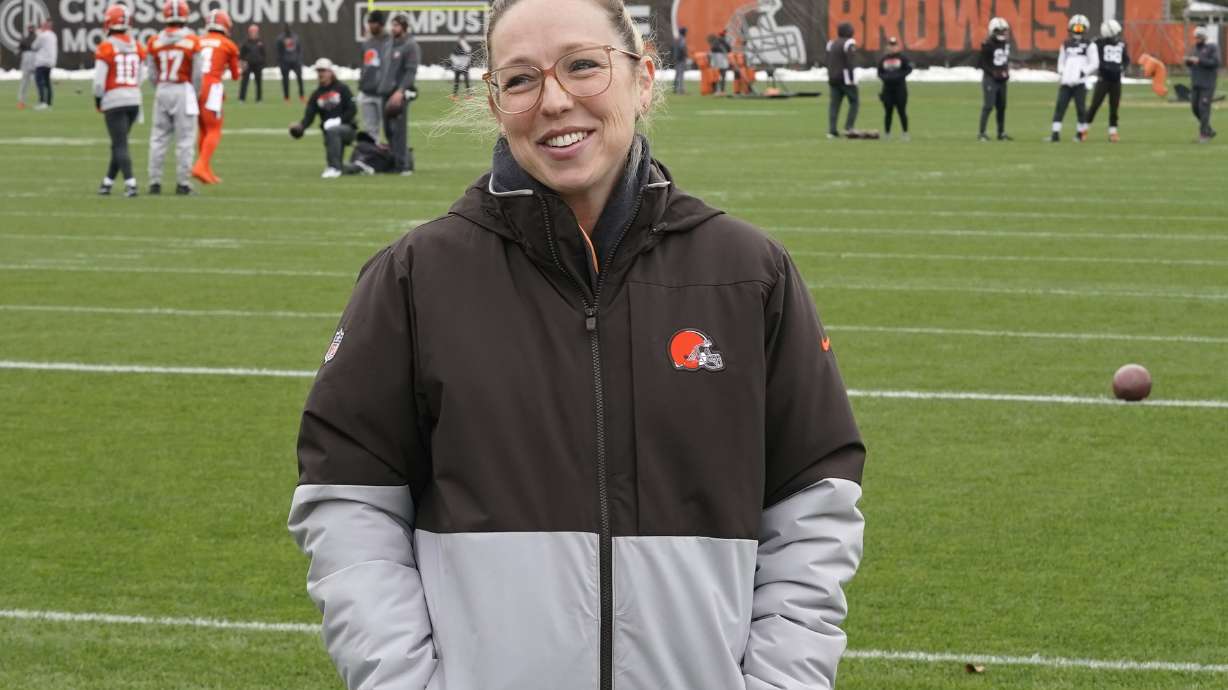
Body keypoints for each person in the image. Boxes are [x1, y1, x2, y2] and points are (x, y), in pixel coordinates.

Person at [287, 1, 866, 689]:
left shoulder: (748, 274)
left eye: (583, 66)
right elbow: (350, 502)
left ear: (643, 78)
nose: (555, 101)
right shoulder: (417, 278)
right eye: (521, 79)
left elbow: (813, 506)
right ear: (494, 102)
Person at [146, 0, 201, 195]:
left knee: (158, 138)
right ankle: (182, 183)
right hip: (183, 89)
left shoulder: (154, 41)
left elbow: (151, 73)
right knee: (185, 139)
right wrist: (195, 92)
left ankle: (154, 182)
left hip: (163, 88)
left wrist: (160, 87)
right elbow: (197, 74)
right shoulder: (193, 40)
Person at [93, 4, 147, 197]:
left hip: (114, 99)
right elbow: (142, 75)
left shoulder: (106, 47)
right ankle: (107, 182)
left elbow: (99, 82)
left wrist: (98, 100)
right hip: (134, 99)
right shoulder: (137, 46)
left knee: (120, 144)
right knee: (119, 143)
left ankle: (131, 183)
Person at [192, 9, 240, 184]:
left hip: (194, 86)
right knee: (214, 129)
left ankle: (206, 169)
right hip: (211, 87)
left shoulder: (198, 41)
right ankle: (201, 165)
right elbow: (236, 76)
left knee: (203, 128)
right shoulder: (228, 45)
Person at [289, 57, 358, 178]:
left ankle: (334, 169)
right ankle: (358, 167)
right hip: (329, 133)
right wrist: (300, 127)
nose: (321, 74)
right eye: (318, 71)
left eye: (323, 70)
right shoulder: (316, 94)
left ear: (330, 72)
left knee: (333, 132)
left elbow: (352, 110)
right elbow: (309, 116)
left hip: (347, 129)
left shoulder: (342, 88)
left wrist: (338, 121)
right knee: (339, 162)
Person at [1049, 14, 1097, 142]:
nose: (1078, 30)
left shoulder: (1089, 45)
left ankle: (1080, 134)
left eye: (1081, 28)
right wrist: (1062, 72)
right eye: (1076, 28)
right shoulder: (1066, 44)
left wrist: (1083, 72)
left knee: (1080, 108)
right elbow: (1061, 61)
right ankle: (1055, 134)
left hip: (1080, 83)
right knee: (1060, 107)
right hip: (1066, 82)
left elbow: (1094, 63)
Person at [382, 14, 420, 175]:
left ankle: (403, 164)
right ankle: (395, 160)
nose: (393, 28)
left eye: (396, 25)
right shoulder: (389, 44)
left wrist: (400, 91)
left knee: (399, 129)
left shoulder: (410, 45)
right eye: (392, 25)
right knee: (388, 130)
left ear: (404, 27)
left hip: (398, 93)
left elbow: (410, 71)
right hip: (385, 92)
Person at [1086, 19, 1128, 142]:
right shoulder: (1099, 43)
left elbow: (1126, 59)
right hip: (1103, 79)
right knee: (1095, 104)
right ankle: (1084, 128)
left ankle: (1113, 132)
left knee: (1114, 106)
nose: (1117, 35)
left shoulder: (1121, 44)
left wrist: (1122, 68)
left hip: (1116, 80)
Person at [357, 10, 392, 139]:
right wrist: (362, 83)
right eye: (369, 22)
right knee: (370, 131)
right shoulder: (367, 43)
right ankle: (373, 157)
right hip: (367, 91)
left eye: (374, 22)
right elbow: (364, 66)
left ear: (381, 24)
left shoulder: (390, 42)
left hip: (384, 93)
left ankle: (395, 157)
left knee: (390, 129)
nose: (371, 25)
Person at [978, 17, 1012, 141]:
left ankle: (1001, 132)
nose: (1002, 33)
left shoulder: (1005, 43)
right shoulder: (987, 44)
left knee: (1002, 106)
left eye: (1004, 31)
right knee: (988, 105)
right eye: (999, 31)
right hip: (990, 79)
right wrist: (994, 72)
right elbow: (982, 63)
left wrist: (1005, 72)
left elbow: (1004, 61)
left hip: (1001, 80)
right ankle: (982, 133)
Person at [1185, 26, 1219, 143]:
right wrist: (1188, 61)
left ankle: (1204, 135)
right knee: (1195, 108)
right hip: (1196, 83)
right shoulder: (1194, 48)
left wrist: (1200, 61)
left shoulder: (1212, 48)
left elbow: (1215, 62)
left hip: (1207, 84)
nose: (1197, 39)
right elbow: (1190, 64)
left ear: (1204, 37)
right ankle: (1209, 130)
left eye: (1199, 37)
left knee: (1203, 108)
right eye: (1196, 37)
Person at [877, 36, 913, 140]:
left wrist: (899, 76)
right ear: (887, 46)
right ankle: (887, 133)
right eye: (890, 45)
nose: (892, 48)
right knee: (888, 112)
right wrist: (886, 78)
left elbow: (909, 69)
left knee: (902, 111)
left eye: (894, 45)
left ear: (897, 46)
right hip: (887, 89)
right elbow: (879, 72)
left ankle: (905, 133)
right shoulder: (883, 59)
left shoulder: (902, 58)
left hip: (900, 89)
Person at [827, 22, 859, 137]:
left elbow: (829, 61)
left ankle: (832, 130)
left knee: (834, 105)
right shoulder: (849, 43)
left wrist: (829, 75)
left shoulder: (831, 43)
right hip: (845, 79)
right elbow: (850, 62)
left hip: (833, 78)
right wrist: (851, 79)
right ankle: (849, 127)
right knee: (854, 102)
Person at [32, 20, 58, 110]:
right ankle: (49, 103)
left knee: (39, 82)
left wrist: (37, 33)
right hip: (50, 62)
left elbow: (34, 46)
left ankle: (42, 102)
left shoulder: (42, 36)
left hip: (41, 62)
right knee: (47, 83)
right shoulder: (53, 35)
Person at [277, 24, 304, 102]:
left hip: (295, 61)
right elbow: (278, 51)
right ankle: (286, 97)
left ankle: (302, 96)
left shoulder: (295, 37)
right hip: (285, 62)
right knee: (285, 80)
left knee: (299, 78)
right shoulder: (280, 38)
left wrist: (299, 59)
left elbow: (299, 49)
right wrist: (280, 62)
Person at [239, 24, 266, 102]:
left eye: (255, 31)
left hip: (258, 65)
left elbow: (264, 54)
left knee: (258, 83)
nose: (253, 33)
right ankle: (242, 98)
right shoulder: (245, 43)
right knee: (244, 82)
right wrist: (242, 64)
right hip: (247, 65)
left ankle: (259, 99)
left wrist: (262, 64)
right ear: (249, 32)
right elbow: (241, 55)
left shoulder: (260, 43)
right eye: (252, 31)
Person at [17, 25, 37, 109]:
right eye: (29, 28)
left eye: (32, 28)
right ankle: (21, 101)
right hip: (27, 58)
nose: (30, 29)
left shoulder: (36, 38)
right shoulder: (25, 39)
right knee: (25, 81)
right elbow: (20, 48)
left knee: (37, 81)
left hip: (35, 58)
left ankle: (41, 100)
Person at [671, 26, 688, 94]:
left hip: (676, 58)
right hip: (681, 59)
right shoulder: (682, 39)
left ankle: (675, 88)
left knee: (677, 74)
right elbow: (682, 48)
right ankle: (680, 89)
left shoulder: (677, 39)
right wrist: (686, 55)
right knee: (680, 74)